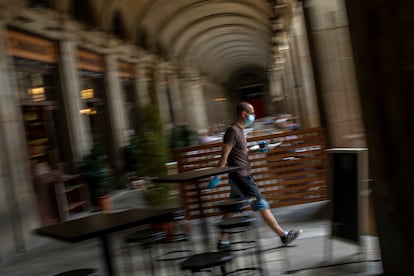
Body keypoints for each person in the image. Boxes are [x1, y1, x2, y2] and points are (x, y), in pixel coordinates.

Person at [215, 101, 302, 250]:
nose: (253, 116)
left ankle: (222, 240)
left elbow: (243, 152)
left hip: (242, 175)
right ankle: (283, 235)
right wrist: (216, 176)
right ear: (244, 114)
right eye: (252, 113)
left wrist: (259, 150)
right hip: (240, 177)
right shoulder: (232, 131)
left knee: (231, 209)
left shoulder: (240, 131)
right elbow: (225, 155)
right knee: (262, 204)